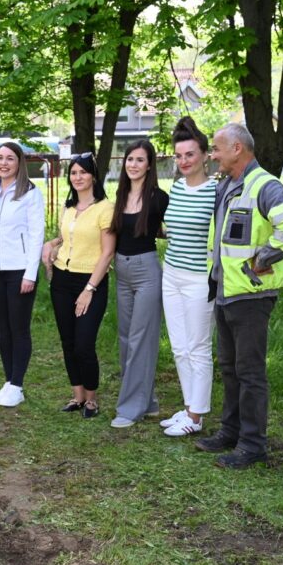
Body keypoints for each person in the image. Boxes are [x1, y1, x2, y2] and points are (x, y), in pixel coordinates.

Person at [198, 124, 283, 468]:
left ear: (237, 149)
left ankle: (252, 445)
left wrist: (264, 259)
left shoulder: (264, 185)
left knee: (249, 372)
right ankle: (230, 433)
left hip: (250, 296)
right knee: (230, 369)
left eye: (216, 148)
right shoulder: (227, 186)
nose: (212, 155)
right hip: (226, 292)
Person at [41, 152, 116, 419]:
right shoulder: (69, 207)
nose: (78, 177)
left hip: (91, 281)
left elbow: (107, 252)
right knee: (68, 341)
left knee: (84, 344)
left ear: (93, 176)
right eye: (73, 172)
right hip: (62, 280)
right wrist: (51, 243)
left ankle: (92, 399)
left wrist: (89, 290)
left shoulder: (105, 208)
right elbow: (66, 237)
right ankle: (77, 396)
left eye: (83, 172)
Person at [159, 116, 217, 437]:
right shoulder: (177, 188)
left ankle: (196, 416)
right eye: (179, 156)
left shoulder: (216, 191)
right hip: (171, 274)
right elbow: (172, 230)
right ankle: (189, 406)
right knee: (179, 347)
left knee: (198, 348)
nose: (183, 161)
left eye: (190, 155)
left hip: (199, 279)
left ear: (205, 155)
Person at [0, 141, 45, 408]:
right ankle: (8, 381)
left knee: (19, 328)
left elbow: (36, 234)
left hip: (19, 270)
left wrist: (31, 273)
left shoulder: (30, 192)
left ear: (19, 163)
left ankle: (18, 385)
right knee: (3, 329)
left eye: (9, 158)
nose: (3, 163)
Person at [108, 140, 169, 429]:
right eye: (130, 159)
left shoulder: (159, 198)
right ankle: (148, 401)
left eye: (140, 160)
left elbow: (172, 229)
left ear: (149, 165)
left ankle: (131, 409)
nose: (133, 164)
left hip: (147, 272)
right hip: (122, 270)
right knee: (125, 338)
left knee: (141, 339)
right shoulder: (120, 194)